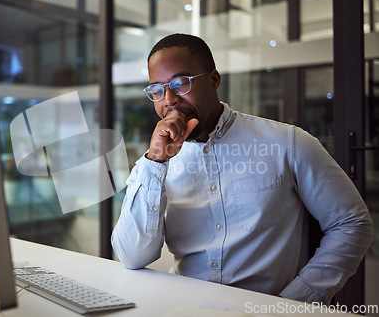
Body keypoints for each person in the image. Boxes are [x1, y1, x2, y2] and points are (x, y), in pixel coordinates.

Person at [111, 33, 374, 305]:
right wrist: (155, 161)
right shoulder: (154, 163)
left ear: (214, 80)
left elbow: (351, 223)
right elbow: (131, 256)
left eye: (181, 83)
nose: (168, 100)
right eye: (156, 89)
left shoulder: (288, 143)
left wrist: (294, 301)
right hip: (186, 307)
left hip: (266, 307)